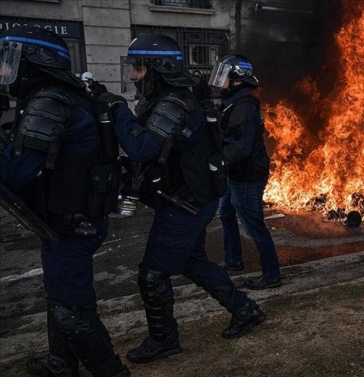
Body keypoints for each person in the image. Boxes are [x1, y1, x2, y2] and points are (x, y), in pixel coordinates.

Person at [100, 34, 266, 364]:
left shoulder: (176, 101)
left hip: (185, 204)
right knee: (195, 264)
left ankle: (164, 340)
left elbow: (143, 148)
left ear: (157, 68)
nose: (133, 75)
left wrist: (116, 107)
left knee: (152, 273)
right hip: (189, 199)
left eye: (138, 68)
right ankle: (245, 310)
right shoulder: (169, 98)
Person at [0, 27, 129, 376]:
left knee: (71, 308)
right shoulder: (60, 95)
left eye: (12, 60)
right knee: (58, 297)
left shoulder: (52, 101)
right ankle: (62, 363)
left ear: (35, 60)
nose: (4, 70)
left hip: (73, 222)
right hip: (65, 218)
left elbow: (14, 172)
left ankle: (112, 372)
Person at [209, 54, 282, 290]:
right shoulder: (235, 102)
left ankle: (271, 275)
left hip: (247, 175)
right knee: (226, 213)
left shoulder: (243, 107)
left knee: (253, 225)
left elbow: (239, 148)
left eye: (224, 76)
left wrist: (215, 166)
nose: (220, 81)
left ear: (237, 79)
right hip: (237, 173)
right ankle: (234, 261)